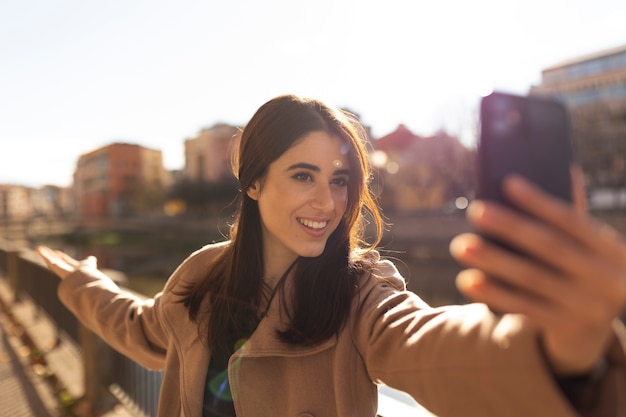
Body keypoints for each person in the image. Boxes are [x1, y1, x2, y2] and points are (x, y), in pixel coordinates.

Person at [37, 94, 626, 417]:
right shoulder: (202, 274)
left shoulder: (362, 288)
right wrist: (83, 283)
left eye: (341, 179)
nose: (328, 201)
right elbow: (142, 330)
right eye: (303, 175)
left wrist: (556, 349)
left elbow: (427, 344)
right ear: (253, 183)